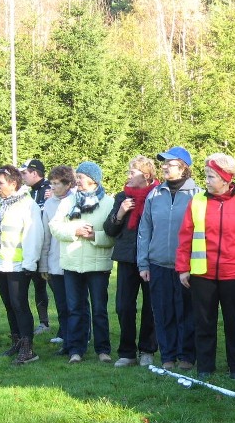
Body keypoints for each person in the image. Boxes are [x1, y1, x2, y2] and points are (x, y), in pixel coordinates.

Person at [176, 153, 235, 379]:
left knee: (234, 322)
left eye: (211, 176)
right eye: (206, 175)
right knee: (203, 322)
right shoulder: (197, 201)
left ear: (226, 178)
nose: (206, 180)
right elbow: (185, 236)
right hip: (202, 274)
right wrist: (183, 267)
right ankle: (205, 367)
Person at [0, 165, 43, 364]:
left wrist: (30, 264)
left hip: (17, 264)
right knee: (9, 305)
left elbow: (34, 236)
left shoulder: (27, 204)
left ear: (13, 183)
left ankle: (29, 349)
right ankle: (17, 341)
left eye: (0, 183)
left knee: (19, 304)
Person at [138, 146, 200, 371]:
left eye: (170, 163)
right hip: (157, 264)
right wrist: (143, 262)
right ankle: (167, 355)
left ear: (183, 168)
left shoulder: (198, 195)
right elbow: (145, 229)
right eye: (163, 163)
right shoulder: (155, 194)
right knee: (163, 313)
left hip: (187, 267)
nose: (164, 167)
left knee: (186, 312)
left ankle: (186, 355)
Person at [50, 161, 115, 364]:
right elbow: (55, 227)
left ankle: (103, 350)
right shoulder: (68, 202)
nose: (76, 180)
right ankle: (76, 350)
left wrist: (95, 235)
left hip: (98, 266)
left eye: (80, 177)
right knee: (75, 308)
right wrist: (74, 232)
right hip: (72, 264)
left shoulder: (109, 203)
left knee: (99, 309)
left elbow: (113, 236)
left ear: (93, 180)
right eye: (77, 177)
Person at [104, 156, 159, 368]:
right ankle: (127, 352)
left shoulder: (158, 195)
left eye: (132, 172)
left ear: (145, 176)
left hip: (152, 258)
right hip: (127, 258)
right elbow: (110, 230)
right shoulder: (122, 197)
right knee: (124, 306)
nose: (128, 176)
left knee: (150, 307)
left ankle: (147, 349)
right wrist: (120, 212)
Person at [39, 165, 76, 351]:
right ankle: (66, 339)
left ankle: (80, 338)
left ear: (68, 184)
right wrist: (43, 264)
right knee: (61, 304)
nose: (52, 188)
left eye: (56, 184)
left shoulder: (77, 199)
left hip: (74, 259)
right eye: (51, 183)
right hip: (55, 260)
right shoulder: (49, 203)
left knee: (76, 304)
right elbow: (46, 234)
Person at [20, 159, 52, 336]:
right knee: (38, 286)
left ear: (34, 172)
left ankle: (66, 328)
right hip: (34, 248)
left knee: (55, 286)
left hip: (49, 248)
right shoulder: (29, 193)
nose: (22, 177)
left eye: (25, 173)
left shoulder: (49, 188)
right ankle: (44, 322)